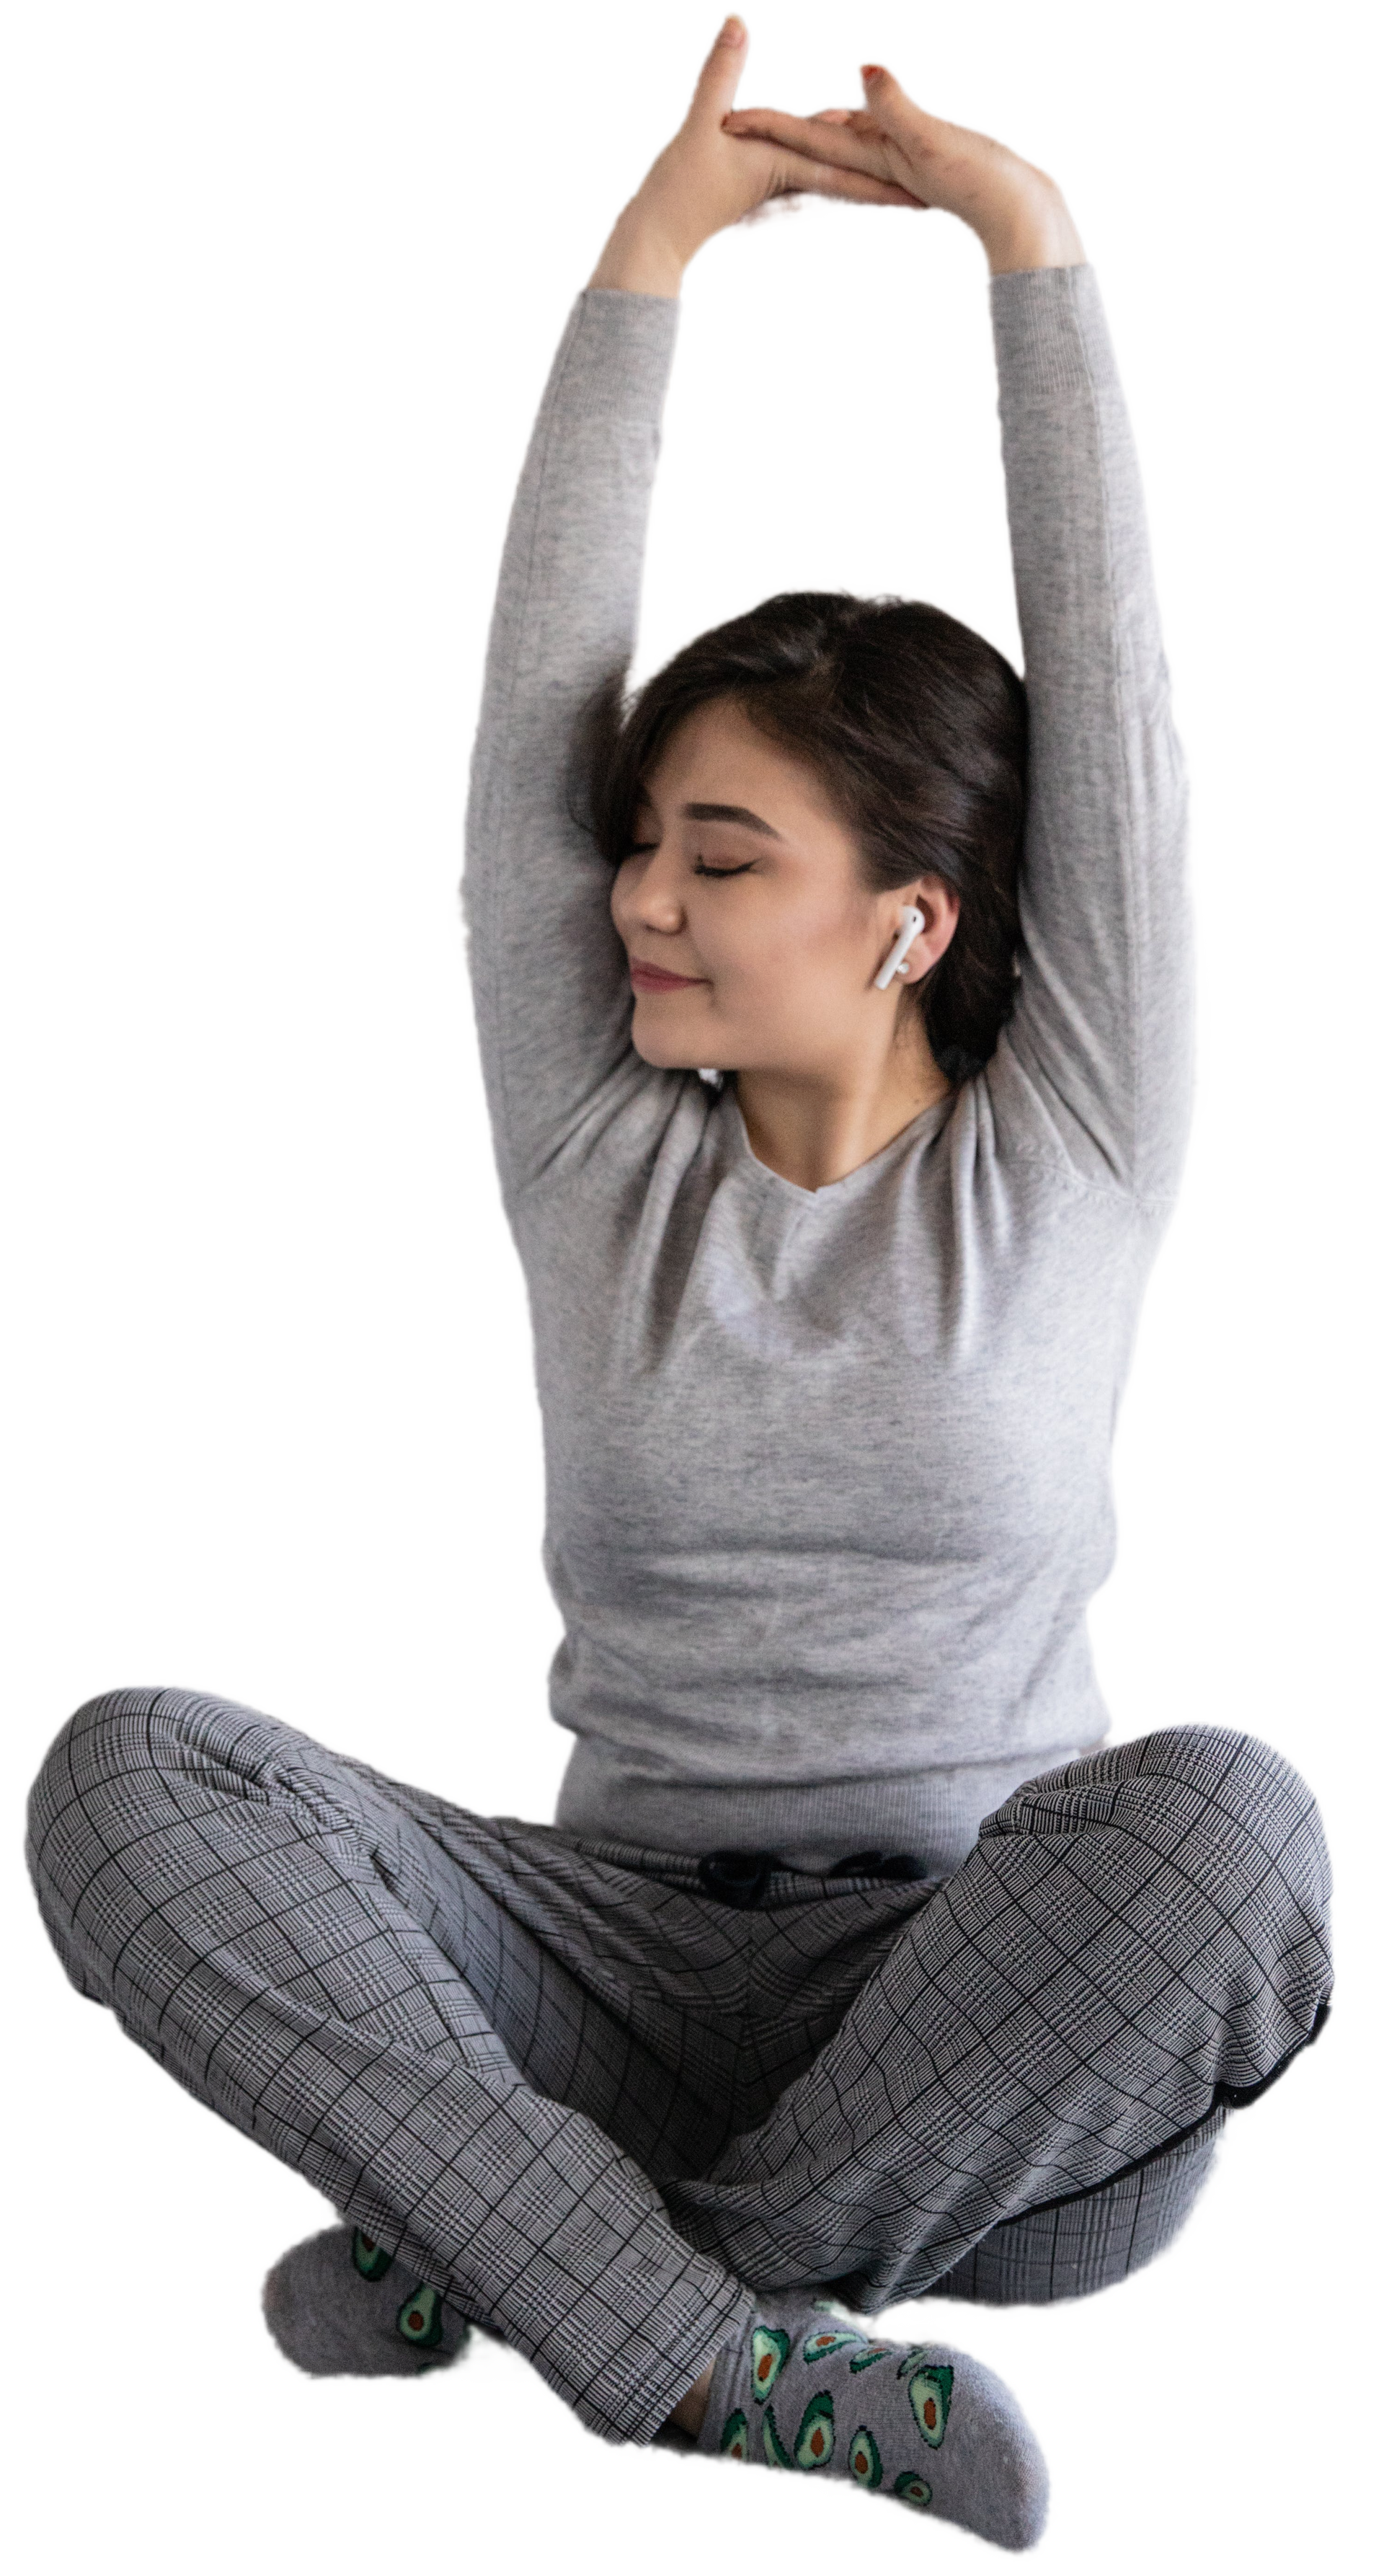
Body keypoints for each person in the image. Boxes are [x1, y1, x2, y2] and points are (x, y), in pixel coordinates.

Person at [20, 14, 1336, 2556]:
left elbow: (1131, 728)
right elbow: (535, 709)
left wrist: (1028, 245)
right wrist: (644, 261)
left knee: (1235, 1840)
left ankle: (549, 2269)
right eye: (640, 843)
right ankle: (714, 2350)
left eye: (719, 856)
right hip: (592, 1960)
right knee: (122, 1776)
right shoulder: (597, 1130)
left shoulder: (1075, 1128)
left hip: (967, 1991)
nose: (640, 896)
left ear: (915, 918)